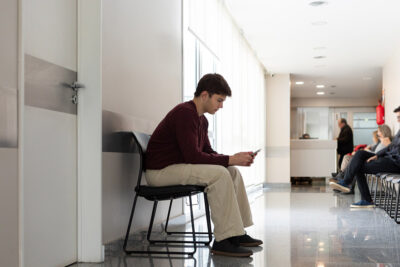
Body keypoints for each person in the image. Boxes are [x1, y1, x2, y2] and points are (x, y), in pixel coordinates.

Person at [145, 73, 262, 257]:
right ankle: (223, 239)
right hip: (159, 172)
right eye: (219, 100)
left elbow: (207, 152)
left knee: (231, 171)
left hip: (175, 168)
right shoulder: (185, 112)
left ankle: (237, 233)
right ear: (205, 95)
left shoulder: (201, 119)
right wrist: (231, 158)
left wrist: (234, 159)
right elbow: (193, 156)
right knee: (220, 174)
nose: (221, 106)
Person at [329, 106, 400, 208]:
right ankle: (345, 181)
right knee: (360, 153)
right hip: (388, 157)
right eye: (397, 117)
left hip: (395, 162)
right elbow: (391, 147)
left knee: (358, 166)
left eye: (399, 117)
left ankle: (360, 194)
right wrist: (377, 155)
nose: (398, 120)